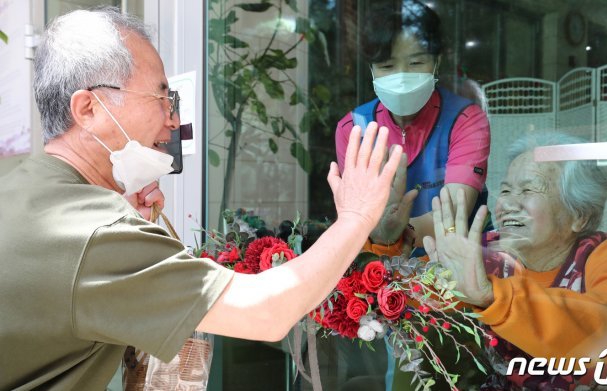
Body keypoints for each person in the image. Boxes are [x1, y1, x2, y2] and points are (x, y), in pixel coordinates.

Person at [0, 7, 403, 390]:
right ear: (88, 108)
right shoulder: (93, 231)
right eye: (161, 98)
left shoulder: (22, 187)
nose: (173, 121)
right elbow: (266, 311)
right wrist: (355, 217)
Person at [424, 133, 607, 390]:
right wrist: (386, 243)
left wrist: (493, 297)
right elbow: (404, 294)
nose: (507, 205)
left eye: (528, 190)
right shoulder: (480, 253)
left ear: (579, 215)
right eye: (505, 190)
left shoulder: (603, 255)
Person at [335, 0, 491, 252]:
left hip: (454, 265)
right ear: (371, 69)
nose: (402, 76)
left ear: (437, 61)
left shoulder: (465, 120)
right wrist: (380, 235)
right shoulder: (353, 129)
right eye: (387, 66)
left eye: (416, 63)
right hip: (380, 268)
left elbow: (454, 216)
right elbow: (353, 216)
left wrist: (393, 233)